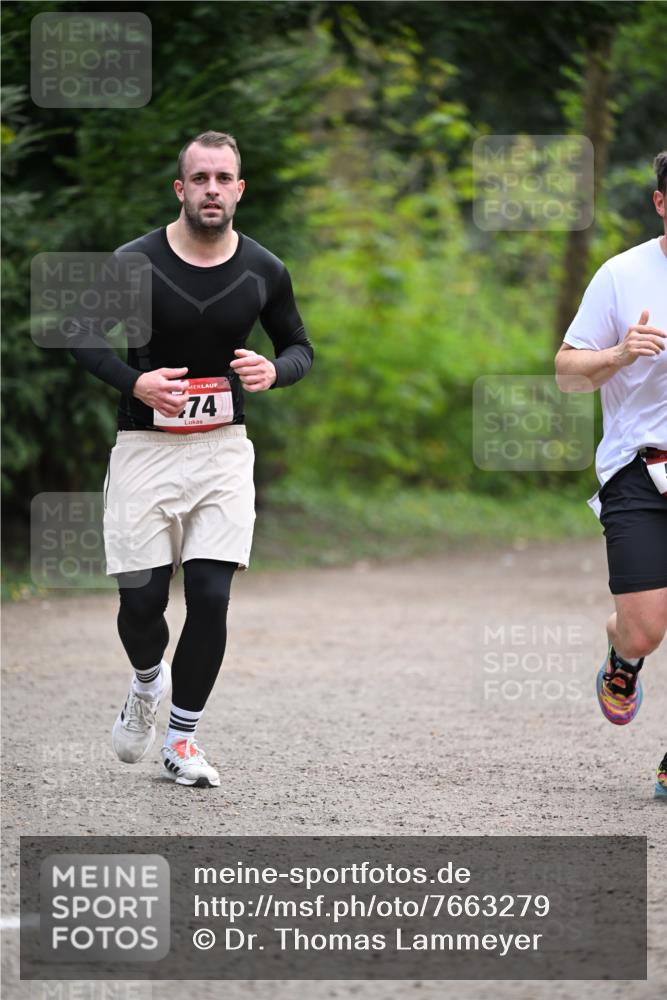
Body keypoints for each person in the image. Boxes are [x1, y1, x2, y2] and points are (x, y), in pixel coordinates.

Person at [69, 131, 313, 788]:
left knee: (210, 594)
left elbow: (298, 346)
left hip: (223, 454)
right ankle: (147, 680)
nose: (211, 189)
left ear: (239, 189)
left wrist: (276, 370)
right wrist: (135, 383)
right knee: (144, 602)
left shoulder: (264, 268)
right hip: (145, 451)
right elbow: (83, 340)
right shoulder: (132, 262)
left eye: (222, 178)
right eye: (199, 178)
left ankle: (182, 740)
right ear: (181, 189)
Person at [555, 151, 667, 799]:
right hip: (637, 467)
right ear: (659, 203)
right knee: (646, 626)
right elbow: (565, 373)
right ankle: (621, 651)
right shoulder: (621, 275)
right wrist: (619, 353)